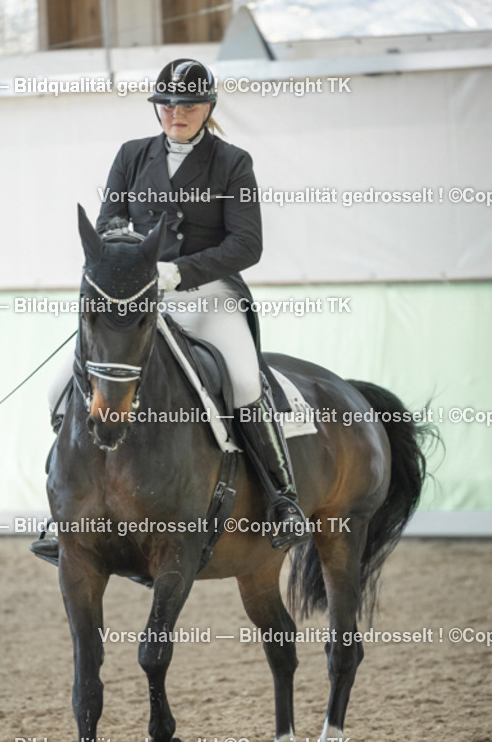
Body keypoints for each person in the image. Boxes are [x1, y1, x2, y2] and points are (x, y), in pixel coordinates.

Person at [32, 58, 306, 565]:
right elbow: (109, 221)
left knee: (244, 381)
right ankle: (68, 510)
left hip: (206, 293)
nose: (177, 113)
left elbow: (248, 243)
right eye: (168, 105)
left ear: (208, 107)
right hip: (138, 295)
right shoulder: (132, 156)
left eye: (189, 104)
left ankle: (281, 498)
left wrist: (181, 271)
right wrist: (133, 263)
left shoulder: (232, 162)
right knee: (57, 390)